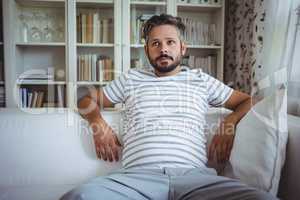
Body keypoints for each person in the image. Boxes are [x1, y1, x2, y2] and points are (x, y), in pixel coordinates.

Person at [61, 14, 277, 200]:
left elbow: (250, 101)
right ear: (147, 50)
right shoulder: (131, 79)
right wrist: (97, 123)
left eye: (170, 42)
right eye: (155, 43)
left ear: (182, 48)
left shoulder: (200, 79)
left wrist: (229, 122)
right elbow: (85, 99)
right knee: (77, 196)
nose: (163, 49)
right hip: (136, 179)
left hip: (196, 179)